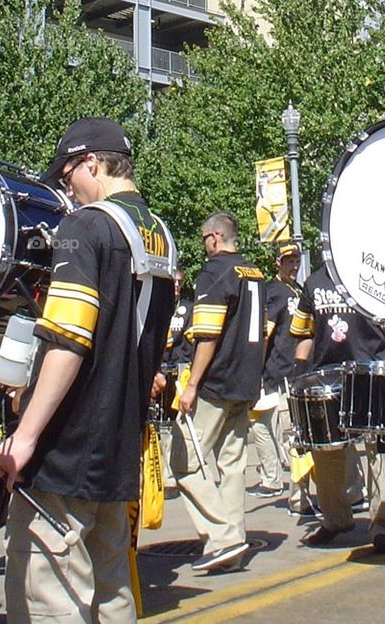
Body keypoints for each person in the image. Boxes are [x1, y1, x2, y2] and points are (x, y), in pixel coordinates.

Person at [0, 117, 175, 624]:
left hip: (66, 452)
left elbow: (69, 342)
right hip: (118, 448)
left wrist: (25, 437)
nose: (66, 186)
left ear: (92, 163)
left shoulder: (85, 227)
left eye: (68, 173)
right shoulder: (160, 234)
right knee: (112, 591)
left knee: (48, 598)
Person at [170, 211, 266, 573]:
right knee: (233, 464)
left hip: (216, 383)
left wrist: (192, 384)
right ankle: (233, 542)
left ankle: (222, 536)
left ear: (213, 238)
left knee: (182, 459)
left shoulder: (214, 272)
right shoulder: (255, 273)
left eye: (203, 239)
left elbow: (207, 334)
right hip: (245, 381)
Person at [290, 261, 385, 552]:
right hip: (327, 374)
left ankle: (383, 526)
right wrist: (298, 377)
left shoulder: (377, 274)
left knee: (381, 452)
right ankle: (335, 519)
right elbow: (303, 332)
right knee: (325, 452)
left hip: (372, 372)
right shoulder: (315, 281)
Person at [248, 244, 301, 499]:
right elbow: (264, 333)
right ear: (277, 264)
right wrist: (256, 369)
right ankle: (272, 479)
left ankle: (289, 484)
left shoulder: (299, 291)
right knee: (264, 425)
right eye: (288, 261)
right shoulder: (273, 292)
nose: (294, 265)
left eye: (296, 260)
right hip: (275, 373)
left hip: (295, 373)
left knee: (289, 431)